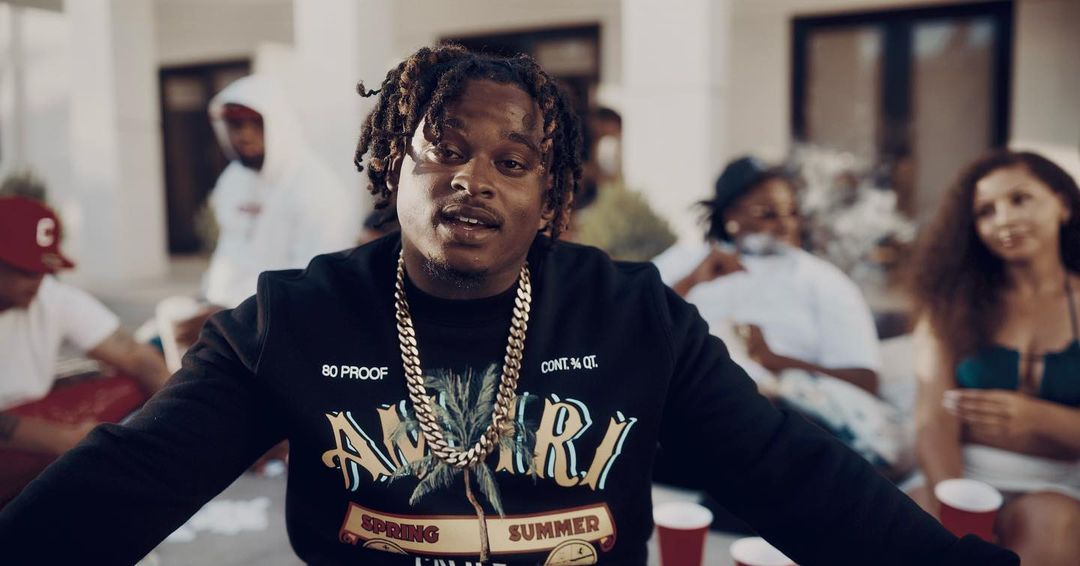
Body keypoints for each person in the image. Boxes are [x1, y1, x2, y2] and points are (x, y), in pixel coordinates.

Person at [0, 45, 1015, 565]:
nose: (472, 179)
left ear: (552, 194)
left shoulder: (632, 317)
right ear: (391, 169)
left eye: (512, 161)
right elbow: (131, 478)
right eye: (441, 149)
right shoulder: (294, 319)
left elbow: (793, 475)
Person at [652, 157, 897, 468]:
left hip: (780, 417)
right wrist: (691, 281)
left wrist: (775, 360)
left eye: (792, 213)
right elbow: (629, 330)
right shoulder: (685, 261)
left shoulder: (823, 281)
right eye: (767, 214)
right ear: (731, 215)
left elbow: (865, 381)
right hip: (686, 412)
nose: (785, 225)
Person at [908, 150, 1080, 564]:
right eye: (986, 211)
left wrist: (1038, 418)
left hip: (1060, 481)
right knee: (908, 519)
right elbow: (933, 422)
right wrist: (954, 500)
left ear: (1063, 205)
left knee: (1048, 522)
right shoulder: (949, 305)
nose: (1003, 220)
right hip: (960, 471)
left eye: (1020, 199)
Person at [0, 196, 170, 504]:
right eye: (26, 269)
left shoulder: (48, 295)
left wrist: (190, 428)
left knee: (129, 381)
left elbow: (138, 357)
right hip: (16, 437)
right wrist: (67, 439)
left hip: (29, 421)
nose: (38, 280)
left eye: (45, 268)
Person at [172, 74, 362, 347]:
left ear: (278, 124)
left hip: (281, 325)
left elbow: (312, 279)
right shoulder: (233, 179)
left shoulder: (317, 188)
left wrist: (230, 315)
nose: (244, 135)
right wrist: (207, 298)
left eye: (255, 123)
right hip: (222, 313)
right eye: (235, 124)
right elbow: (229, 252)